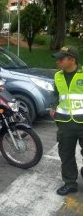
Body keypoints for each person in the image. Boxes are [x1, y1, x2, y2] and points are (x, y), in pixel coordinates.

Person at [50, 46, 83, 195]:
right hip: (65, 123)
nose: (58, 61)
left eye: (61, 59)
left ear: (72, 60)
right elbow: (56, 94)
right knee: (66, 154)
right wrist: (53, 106)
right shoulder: (58, 76)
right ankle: (70, 183)